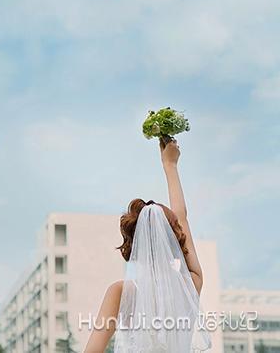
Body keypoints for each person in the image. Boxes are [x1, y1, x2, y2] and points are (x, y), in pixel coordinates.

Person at [84, 139, 211, 352]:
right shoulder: (190, 286)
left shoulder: (120, 292)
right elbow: (182, 217)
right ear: (176, 240)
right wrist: (170, 165)